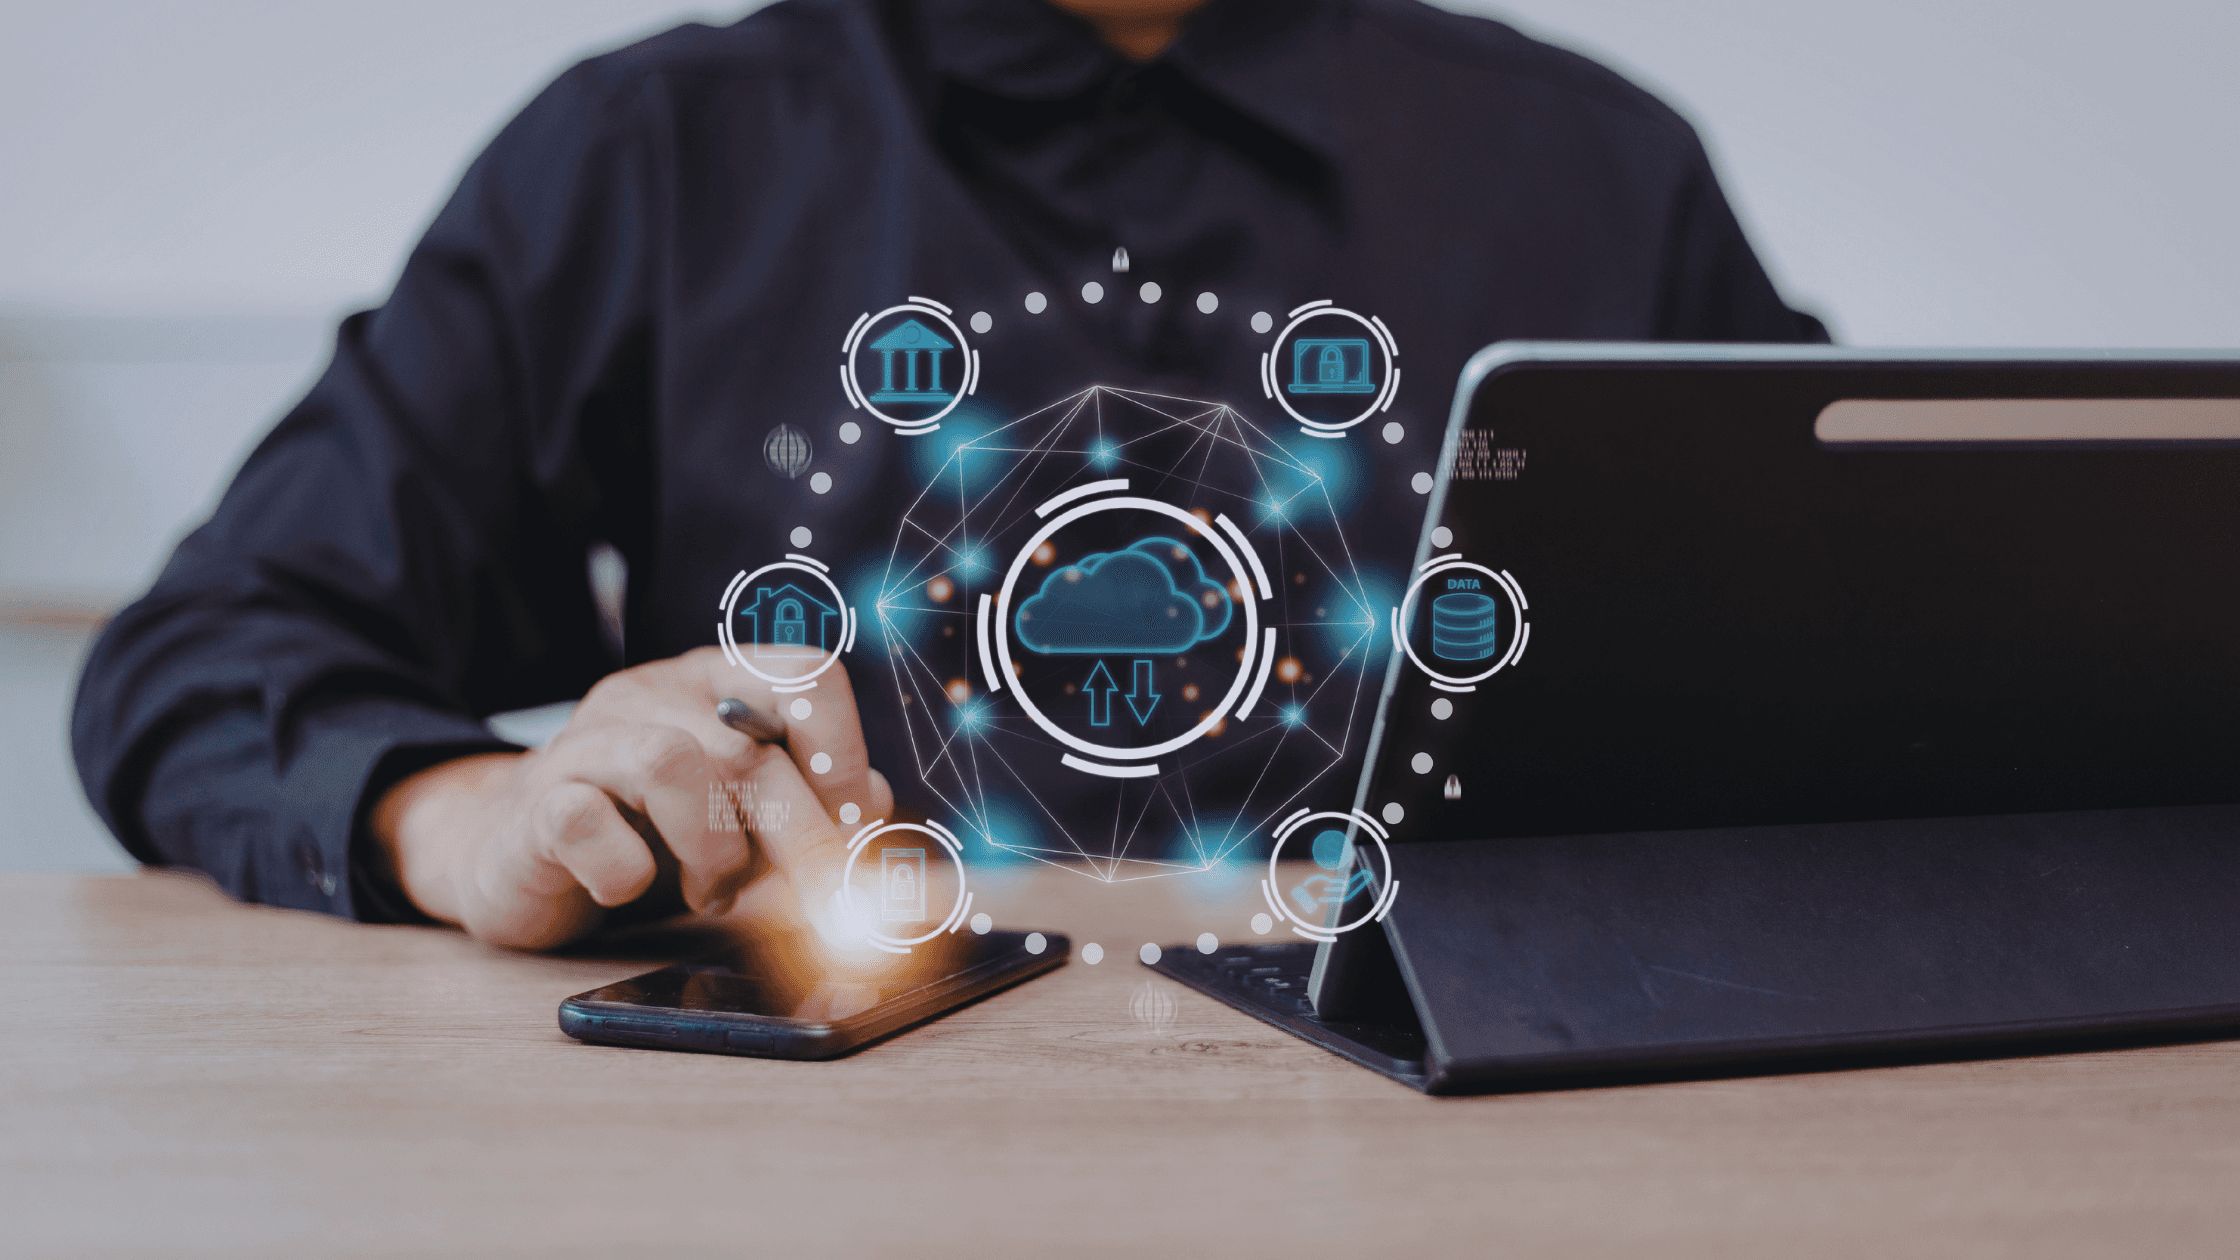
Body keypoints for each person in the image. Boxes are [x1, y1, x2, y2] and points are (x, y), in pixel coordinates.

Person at [71, 0, 1824, 951]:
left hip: (1478, 1149)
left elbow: (1850, 663)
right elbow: (212, 650)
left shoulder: (1602, 171)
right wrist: (462, 822)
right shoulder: (649, 157)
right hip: (811, 1144)